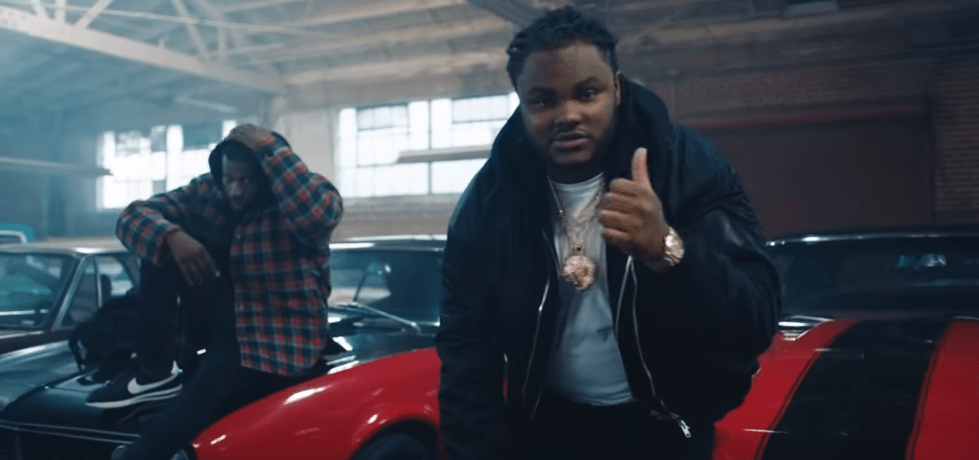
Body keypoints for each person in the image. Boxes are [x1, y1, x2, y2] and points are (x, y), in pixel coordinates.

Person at [436, 6, 781, 460]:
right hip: (546, 427)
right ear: (520, 102)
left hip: (664, 427)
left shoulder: (686, 166)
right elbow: (466, 352)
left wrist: (668, 250)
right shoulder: (488, 203)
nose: (567, 115)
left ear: (617, 88)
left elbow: (756, 318)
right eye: (542, 101)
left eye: (587, 93)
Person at [86, 124, 343, 460]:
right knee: (160, 244)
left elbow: (317, 218)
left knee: (199, 399)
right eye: (229, 179)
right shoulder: (209, 191)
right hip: (218, 326)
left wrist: (269, 147)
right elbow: (132, 216)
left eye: (246, 181)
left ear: (268, 175)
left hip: (277, 340)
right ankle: (155, 372)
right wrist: (174, 237)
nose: (234, 190)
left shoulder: (307, 196)